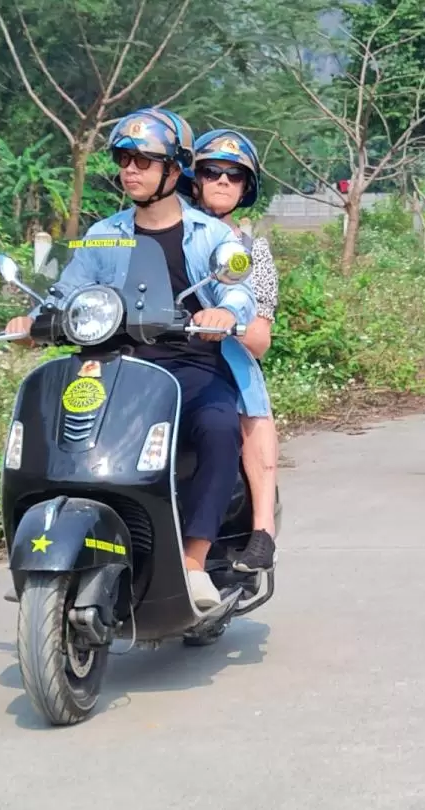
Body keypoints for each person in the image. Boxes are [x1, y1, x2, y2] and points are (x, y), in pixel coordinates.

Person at [2, 107, 257, 611]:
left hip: (190, 364)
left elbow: (241, 294)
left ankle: (193, 561)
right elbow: (68, 290)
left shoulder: (211, 235)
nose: (131, 169)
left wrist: (224, 313)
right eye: (124, 158)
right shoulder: (104, 234)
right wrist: (35, 320)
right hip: (115, 365)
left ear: (175, 169)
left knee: (218, 427)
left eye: (144, 159)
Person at [177, 128, 278, 573]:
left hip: (225, 360)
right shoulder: (163, 229)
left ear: (245, 188)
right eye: (211, 171)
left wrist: (224, 323)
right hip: (157, 356)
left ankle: (261, 530)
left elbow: (260, 339)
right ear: (193, 178)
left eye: (233, 175)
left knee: (248, 413)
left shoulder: (252, 251)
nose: (222, 180)